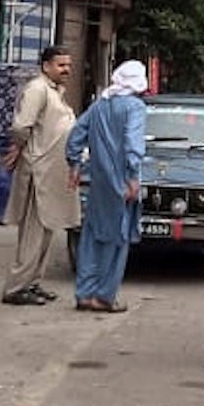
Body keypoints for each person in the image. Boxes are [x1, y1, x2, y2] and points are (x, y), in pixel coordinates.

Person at [66, 59, 149, 313]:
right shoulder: (135, 107)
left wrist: (75, 164)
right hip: (121, 181)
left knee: (91, 237)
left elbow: (76, 133)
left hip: (99, 182)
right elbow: (133, 143)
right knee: (117, 240)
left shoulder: (99, 105)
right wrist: (133, 176)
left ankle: (84, 294)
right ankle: (104, 296)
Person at [0, 47, 77, 306]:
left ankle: (32, 283)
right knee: (33, 234)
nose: (66, 69)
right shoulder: (37, 89)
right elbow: (22, 126)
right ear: (46, 66)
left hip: (53, 174)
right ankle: (16, 288)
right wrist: (18, 148)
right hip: (38, 173)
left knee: (46, 232)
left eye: (67, 65)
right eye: (60, 65)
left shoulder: (55, 92)